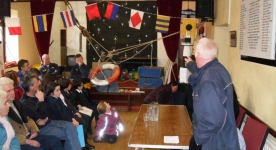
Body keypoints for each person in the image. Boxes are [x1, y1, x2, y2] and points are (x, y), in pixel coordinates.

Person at [184, 38, 239, 149]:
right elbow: (202, 70)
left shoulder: (208, 81)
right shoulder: (219, 68)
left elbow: (213, 120)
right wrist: (191, 65)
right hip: (226, 136)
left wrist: (198, 138)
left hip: (215, 141)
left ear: (198, 55)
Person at [0, 77, 64, 150]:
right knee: (65, 132)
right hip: (21, 140)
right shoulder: (3, 109)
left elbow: (28, 118)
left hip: (30, 133)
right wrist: (28, 141)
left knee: (54, 140)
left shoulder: (16, 102)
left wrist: (34, 129)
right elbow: (10, 135)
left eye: (13, 89)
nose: (12, 92)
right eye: (8, 91)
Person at [20, 75, 81, 150]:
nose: (40, 83)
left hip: (48, 121)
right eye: (37, 82)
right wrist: (41, 101)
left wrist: (45, 118)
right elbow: (40, 116)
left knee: (72, 127)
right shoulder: (25, 102)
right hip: (40, 128)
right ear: (31, 87)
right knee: (70, 134)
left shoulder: (39, 94)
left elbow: (48, 110)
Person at [45, 81, 95, 149]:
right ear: (51, 92)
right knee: (81, 126)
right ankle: (81, 145)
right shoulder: (52, 101)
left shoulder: (57, 98)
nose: (59, 92)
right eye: (57, 90)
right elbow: (60, 115)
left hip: (66, 118)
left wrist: (72, 117)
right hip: (59, 121)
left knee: (82, 124)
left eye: (59, 90)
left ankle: (82, 144)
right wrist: (71, 120)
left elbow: (66, 109)